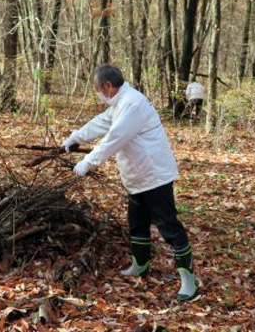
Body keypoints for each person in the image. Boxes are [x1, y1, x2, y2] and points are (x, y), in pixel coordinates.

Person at [62, 63, 199, 301]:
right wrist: (75, 137)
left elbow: (115, 138)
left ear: (108, 86)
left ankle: (188, 279)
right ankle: (141, 265)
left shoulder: (132, 104)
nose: (98, 93)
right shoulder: (119, 104)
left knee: (169, 227)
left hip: (154, 175)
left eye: (97, 88)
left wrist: (88, 162)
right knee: (137, 223)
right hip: (136, 177)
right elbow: (101, 123)